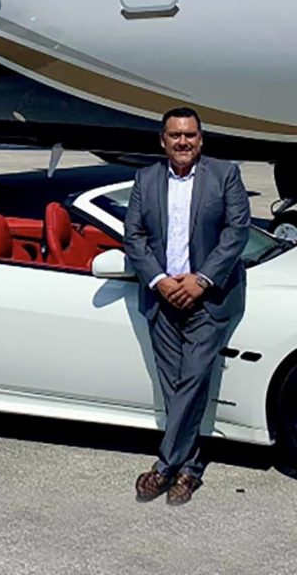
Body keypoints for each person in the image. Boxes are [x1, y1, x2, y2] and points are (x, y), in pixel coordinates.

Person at [124, 107, 250, 506]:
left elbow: (236, 231)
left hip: (209, 298)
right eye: (175, 135)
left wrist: (202, 279)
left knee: (193, 380)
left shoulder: (225, 175)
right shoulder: (146, 180)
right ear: (162, 140)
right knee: (174, 386)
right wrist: (160, 281)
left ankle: (165, 466)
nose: (183, 142)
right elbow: (134, 237)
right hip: (162, 299)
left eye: (190, 135)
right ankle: (190, 469)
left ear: (201, 139)